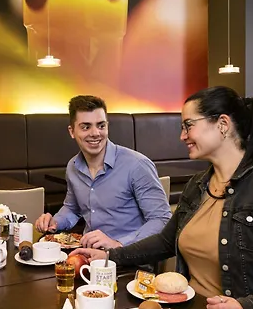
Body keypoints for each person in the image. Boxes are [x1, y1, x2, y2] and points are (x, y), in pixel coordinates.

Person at [71, 86, 253, 309]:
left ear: (222, 124)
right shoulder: (197, 185)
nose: (182, 136)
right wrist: (109, 256)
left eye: (188, 125)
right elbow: (165, 242)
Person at [35, 95, 172, 249]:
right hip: (89, 252)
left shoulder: (137, 165)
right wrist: (55, 222)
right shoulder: (72, 167)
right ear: (72, 131)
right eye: (86, 127)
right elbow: (72, 208)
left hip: (130, 255)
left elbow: (162, 220)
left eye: (101, 125)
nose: (95, 133)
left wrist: (118, 244)